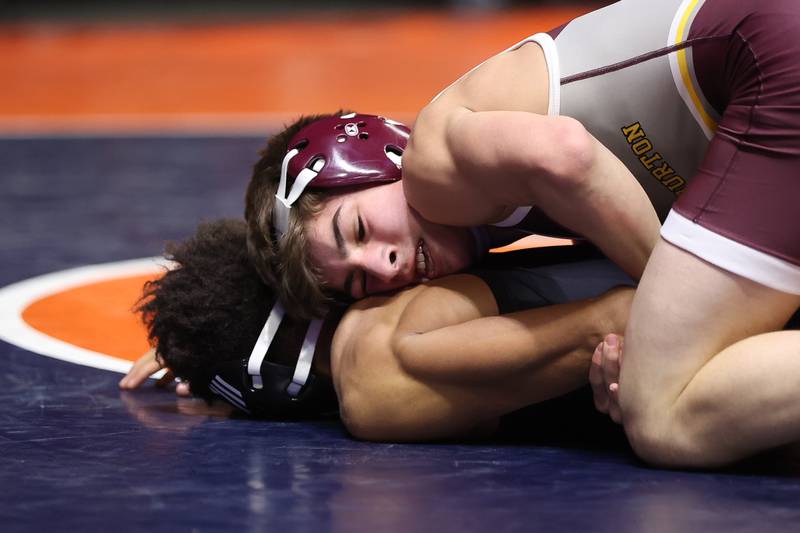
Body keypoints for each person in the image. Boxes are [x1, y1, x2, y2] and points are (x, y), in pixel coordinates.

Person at [247, 0, 800, 466]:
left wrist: (669, 315)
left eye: (360, 230)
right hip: (762, 76)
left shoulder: (431, 168)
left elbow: (568, 156)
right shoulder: (489, 203)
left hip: (769, 65)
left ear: (379, 154)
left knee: (662, 410)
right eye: (362, 282)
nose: (385, 265)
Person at [127, 218, 633, 440]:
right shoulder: (383, 323)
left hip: (677, 324)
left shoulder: (372, 373)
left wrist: (223, 362)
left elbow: (614, 324)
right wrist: (202, 343)